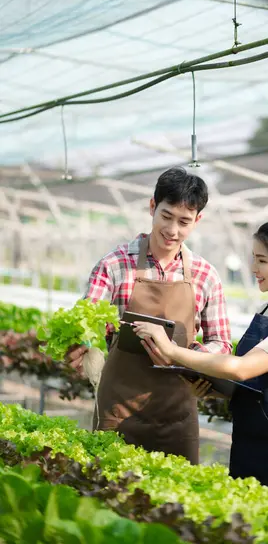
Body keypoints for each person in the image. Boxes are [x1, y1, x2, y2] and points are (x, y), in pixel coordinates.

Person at [133, 219, 268, 504]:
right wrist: (214, 388)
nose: (254, 269)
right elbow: (256, 380)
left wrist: (173, 351)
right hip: (252, 440)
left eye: (262, 261)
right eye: (254, 259)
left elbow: (240, 368)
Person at [66, 166, 231, 464]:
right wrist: (81, 345)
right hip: (118, 412)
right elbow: (86, 322)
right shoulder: (115, 265)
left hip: (178, 414)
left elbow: (221, 342)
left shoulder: (206, 275)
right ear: (152, 206)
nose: (172, 230)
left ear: (197, 221)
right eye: (166, 216)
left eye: (184, 222)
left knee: (177, 504)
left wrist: (193, 359)